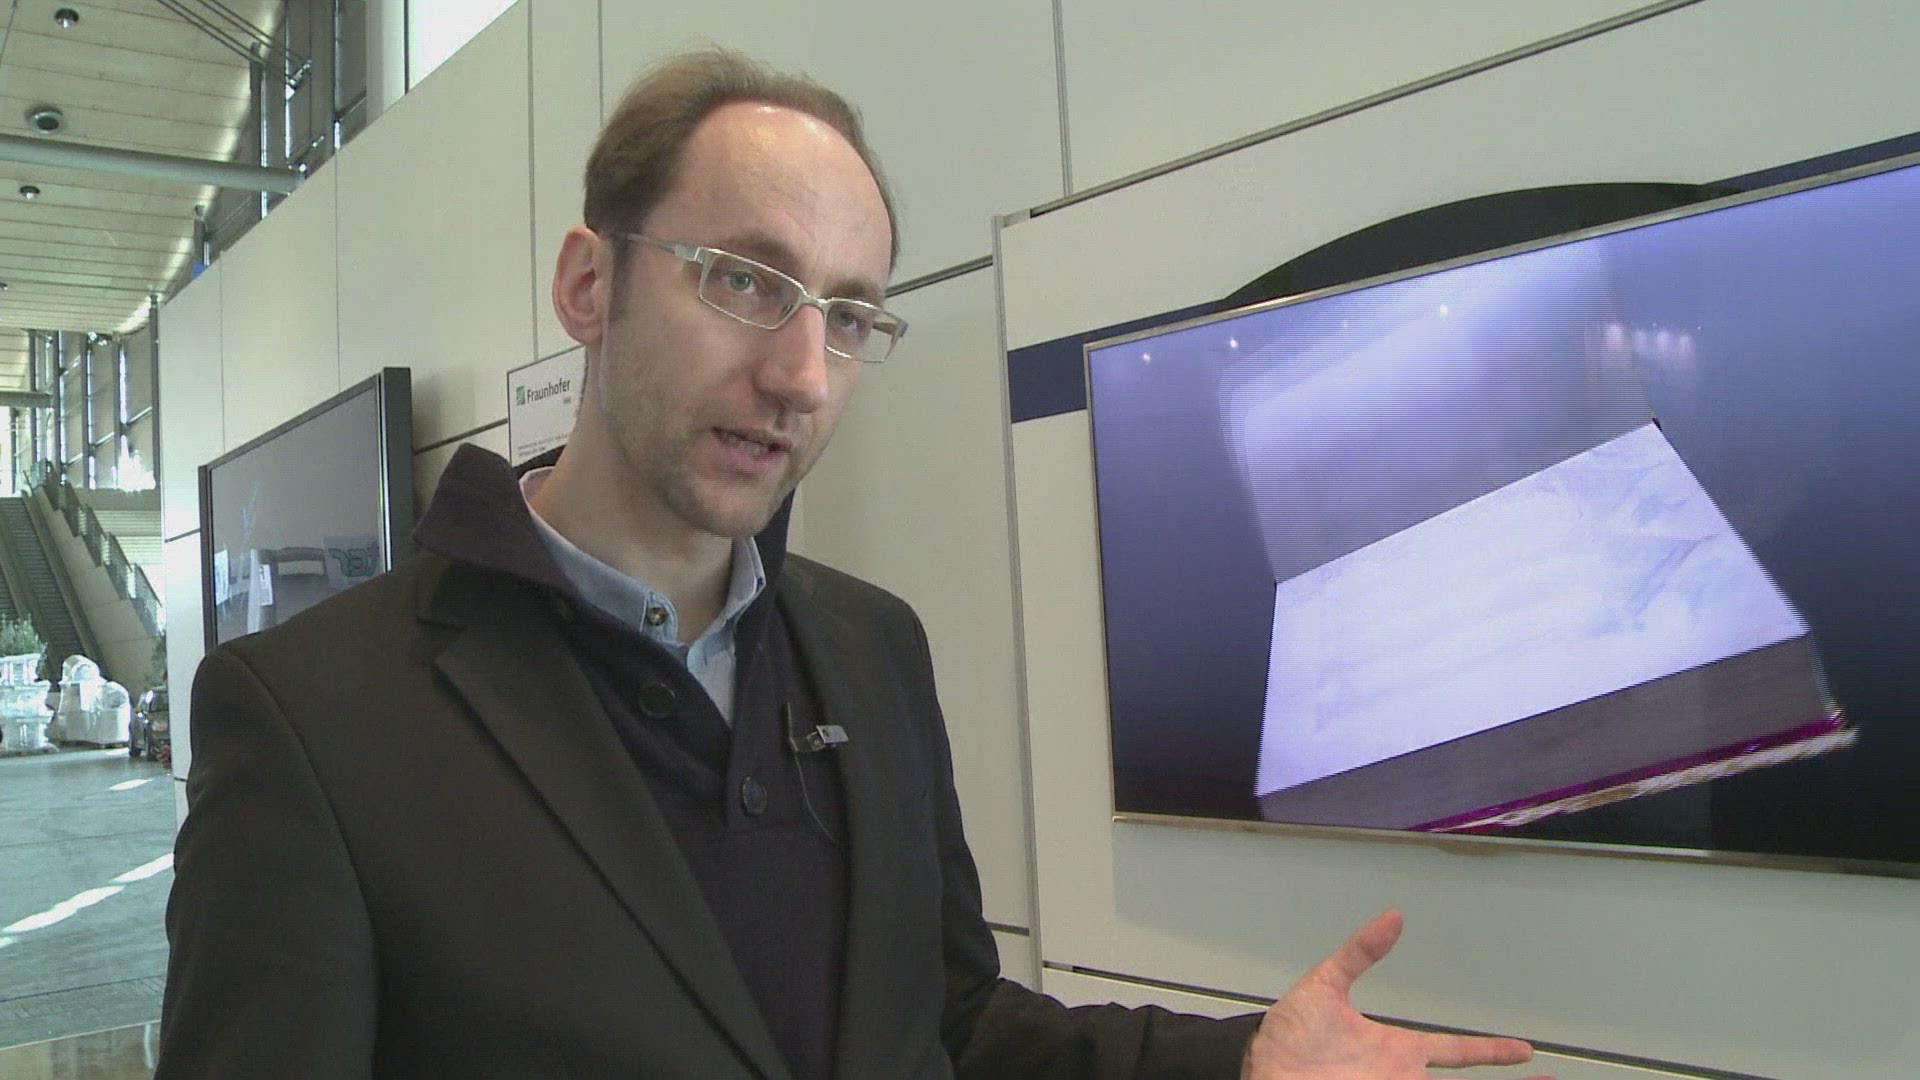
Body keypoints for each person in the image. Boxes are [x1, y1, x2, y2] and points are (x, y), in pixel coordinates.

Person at [157, 48, 1542, 1079]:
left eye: (850, 316)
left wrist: (1237, 1064)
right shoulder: (318, 719)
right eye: (744, 280)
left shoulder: (872, 650)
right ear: (589, 284)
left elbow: (952, 1023)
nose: (803, 376)